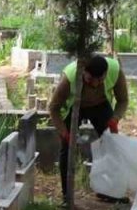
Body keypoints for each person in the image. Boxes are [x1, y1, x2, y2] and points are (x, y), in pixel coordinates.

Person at [47, 54, 129, 198]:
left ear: (106, 73)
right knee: (67, 150)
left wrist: (115, 119)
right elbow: (53, 108)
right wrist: (64, 132)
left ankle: (108, 191)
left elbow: (123, 100)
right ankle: (67, 196)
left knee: (111, 145)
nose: (96, 84)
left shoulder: (115, 70)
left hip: (101, 105)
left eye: (100, 80)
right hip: (75, 107)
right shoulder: (70, 77)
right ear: (83, 72)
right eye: (90, 80)